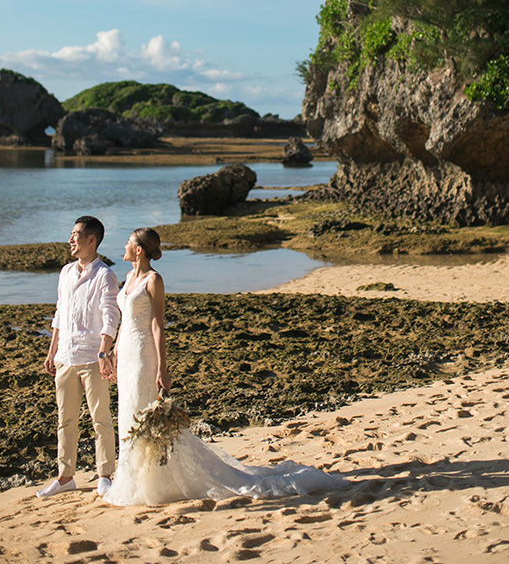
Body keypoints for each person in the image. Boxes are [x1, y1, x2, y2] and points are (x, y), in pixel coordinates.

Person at [102, 227, 348, 506]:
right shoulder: (128, 279)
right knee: (128, 413)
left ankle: (155, 480)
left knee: (143, 413)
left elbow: (158, 325)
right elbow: (124, 325)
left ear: (139, 250)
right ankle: (134, 479)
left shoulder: (153, 280)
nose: (123, 246)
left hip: (145, 356)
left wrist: (162, 368)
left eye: (128, 243)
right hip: (127, 356)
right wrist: (114, 353)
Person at [37, 215, 119, 498]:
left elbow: (111, 316)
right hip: (65, 357)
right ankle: (65, 477)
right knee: (65, 420)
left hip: (91, 358)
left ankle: (105, 474)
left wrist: (104, 351)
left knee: (100, 419)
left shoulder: (105, 275)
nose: (70, 239)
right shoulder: (66, 272)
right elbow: (60, 313)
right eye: (71, 234)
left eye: (76, 234)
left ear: (91, 239)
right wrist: (52, 352)